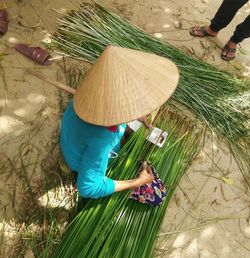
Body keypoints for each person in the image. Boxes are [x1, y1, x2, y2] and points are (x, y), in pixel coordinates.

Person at [60, 45, 179, 199]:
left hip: (74, 136)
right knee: (157, 198)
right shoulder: (102, 141)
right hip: (79, 157)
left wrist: (133, 113)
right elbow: (87, 188)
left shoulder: (89, 95)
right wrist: (136, 182)